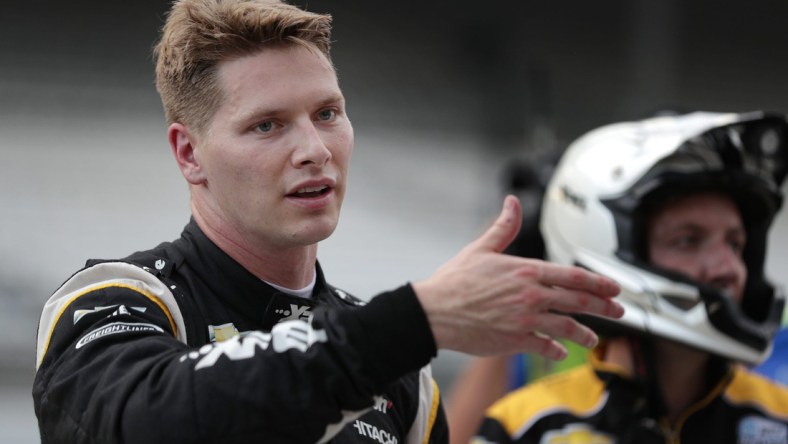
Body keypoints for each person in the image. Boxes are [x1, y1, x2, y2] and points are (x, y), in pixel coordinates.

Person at [31, 1, 625, 443]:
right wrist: (411, 323)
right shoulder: (122, 298)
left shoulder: (402, 374)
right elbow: (148, 423)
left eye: (328, 113)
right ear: (189, 154)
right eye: (267, 125)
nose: (314, 148)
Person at [474, 110, 788, 443]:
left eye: (736, 244)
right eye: (689, 240)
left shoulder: (779, 421)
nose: (727, 268)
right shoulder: (525, 426)